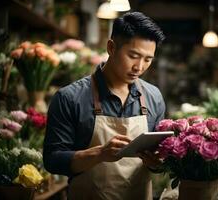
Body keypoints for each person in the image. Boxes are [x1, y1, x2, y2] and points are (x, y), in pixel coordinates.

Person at [43, 11, 166, 200]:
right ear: (111, 47)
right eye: (133, 55)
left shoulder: (153, 97)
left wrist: (157, 163)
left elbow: (158, 162)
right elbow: (53, 161)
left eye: (148, 59)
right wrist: (100, 153)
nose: (139, 67)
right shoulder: (69, 98)